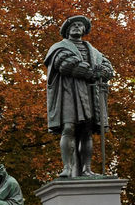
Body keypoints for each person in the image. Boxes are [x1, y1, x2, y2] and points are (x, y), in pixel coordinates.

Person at [44, 14, 114, 178]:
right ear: (67, 29)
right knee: (69, 128)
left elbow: (108, 68)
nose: (77, 27)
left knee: (86, 132)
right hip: (69, 93)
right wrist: (93, 72)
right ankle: (68, 168)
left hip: (90, 93)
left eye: (80, 25)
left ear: (84, 30)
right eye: (74, 25)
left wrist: (100, 73)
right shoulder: (58, 48)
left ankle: (86, 169)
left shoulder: (95, 52)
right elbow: (66, 64)